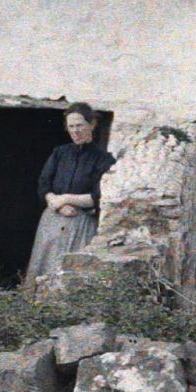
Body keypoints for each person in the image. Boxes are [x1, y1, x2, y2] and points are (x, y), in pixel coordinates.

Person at [24, 102, 116, 282]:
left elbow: (99, 196)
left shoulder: (104, 159)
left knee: (71, 274)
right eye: (71, 126)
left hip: (81, 223)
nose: (76, 131)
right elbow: (44, 183)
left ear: (92, 125)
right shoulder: (60, 153)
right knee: (42, 271)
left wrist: (66, 198)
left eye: (80, 125)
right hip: (52, 220)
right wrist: (57, 205)